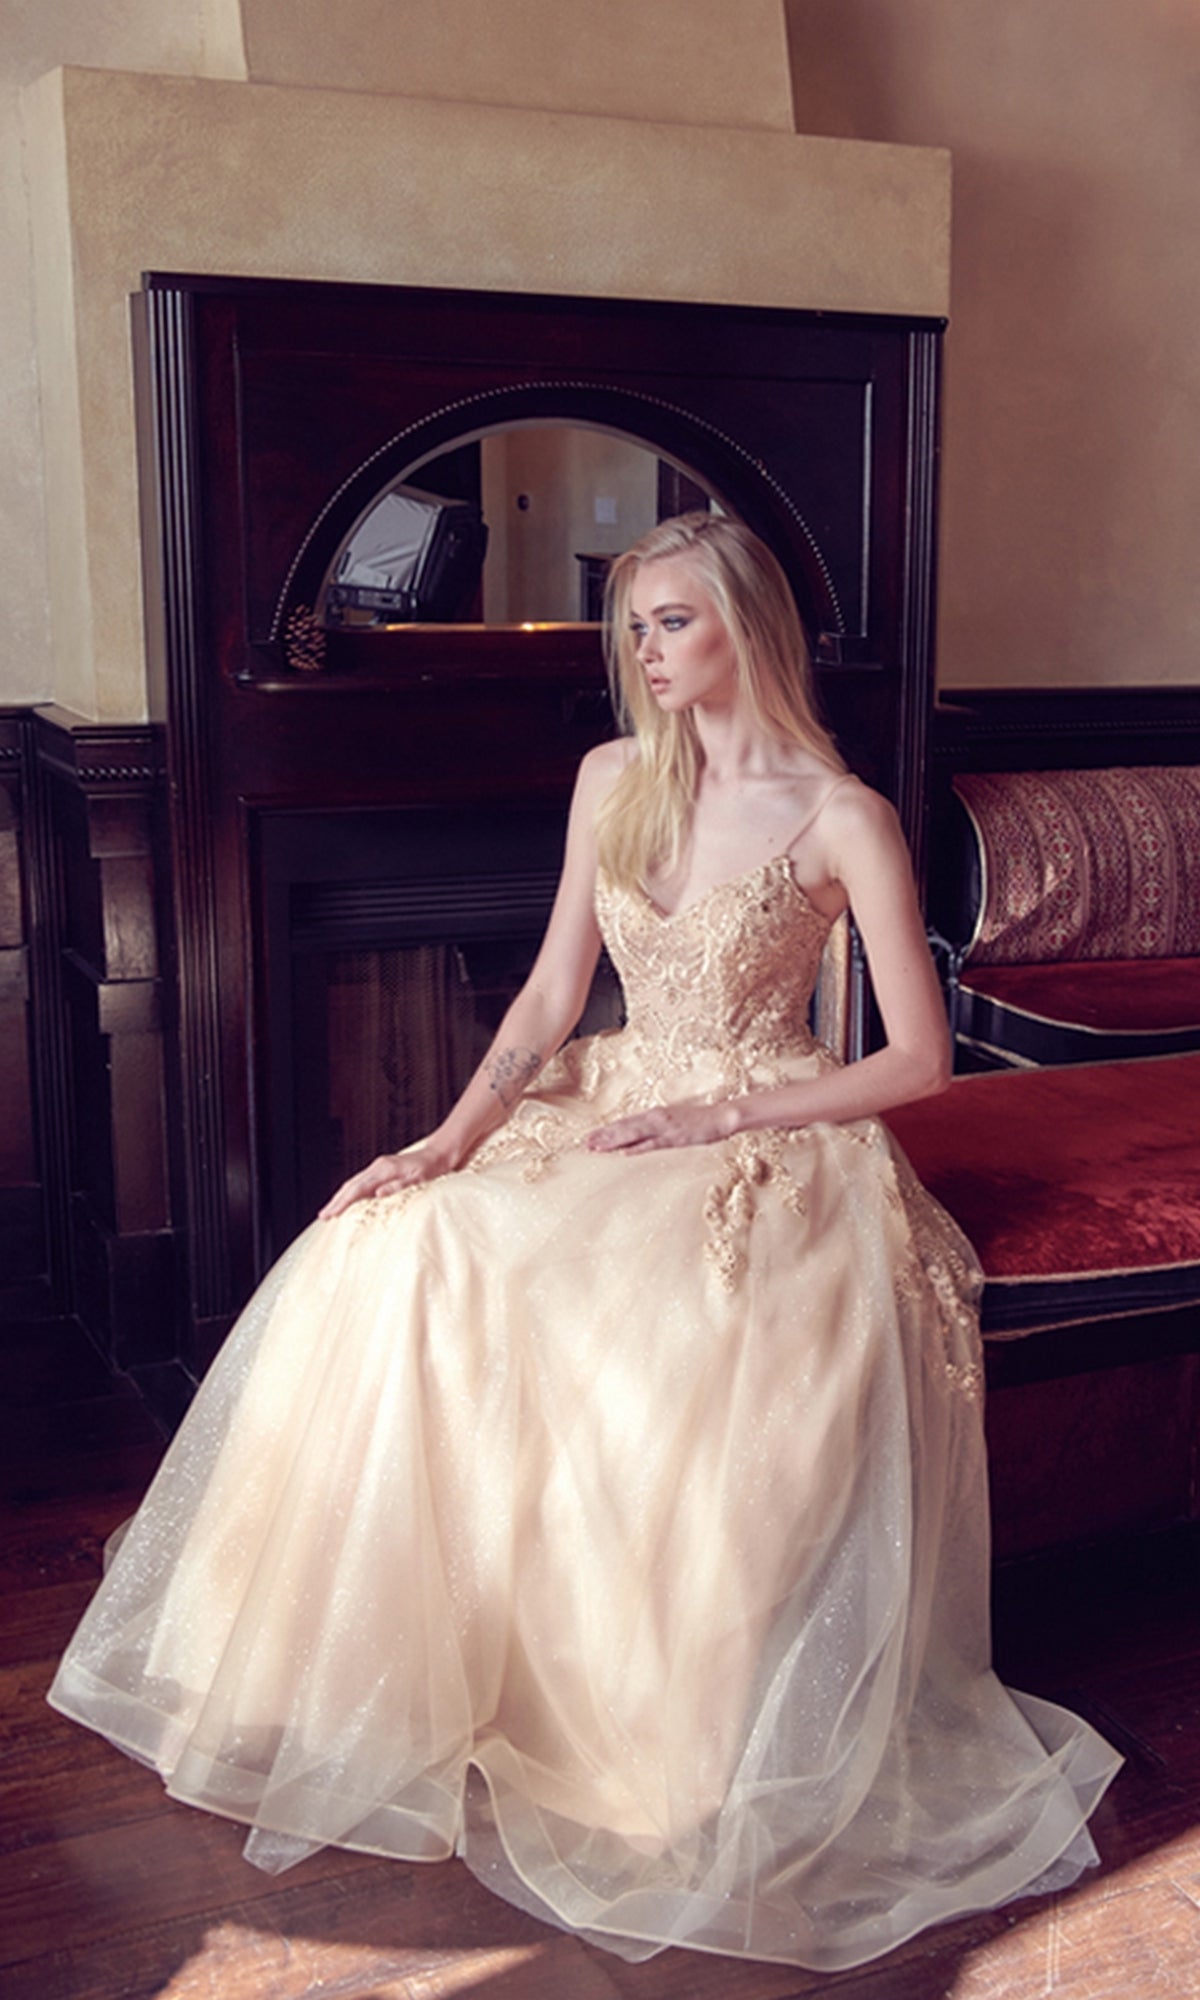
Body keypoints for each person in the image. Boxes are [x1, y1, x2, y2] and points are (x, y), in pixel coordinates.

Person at [49, 513, 1119, 1972]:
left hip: (769, 1140)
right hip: (609, 1098)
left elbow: (921, 1060)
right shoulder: (610, 778)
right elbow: (554, 997)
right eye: (634, 626)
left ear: (748, 624)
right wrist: (443, 1142)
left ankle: (635, 1733)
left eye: (672, 622)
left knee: (650, 1333)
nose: (646, 653)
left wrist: (729, 1114)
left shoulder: (840, 814)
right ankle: (371, 1678)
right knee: (400, 1246)